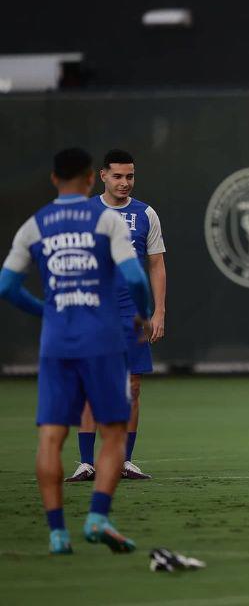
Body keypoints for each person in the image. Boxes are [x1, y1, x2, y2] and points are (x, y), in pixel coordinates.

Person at [0, 147, 153, 554]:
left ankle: (56, 534)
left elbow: (6, 287)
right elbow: (136, 277)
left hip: (56, 342)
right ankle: (98, 517)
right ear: (91, 179)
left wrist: (44, 310)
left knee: (50, 437)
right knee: (114, 432)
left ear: (53, 179)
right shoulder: (105, 220)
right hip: (101, 338)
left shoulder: (35, 225)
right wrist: (145, 312)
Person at [66, 149, 166, 482]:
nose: (125, 183)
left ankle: (124, 460)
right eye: (119, 176)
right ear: (103, 176)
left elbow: (156, 264)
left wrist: (159, 310)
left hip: (132, 314)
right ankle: (85, 461)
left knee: (133, 386)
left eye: (130, 176)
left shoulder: (146, 213)